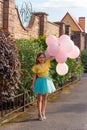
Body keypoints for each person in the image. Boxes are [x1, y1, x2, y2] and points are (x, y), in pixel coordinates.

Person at [31, 52, 56, 121]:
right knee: (39, 99)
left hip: (47, 82)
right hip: (40, 82)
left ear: (45, 58)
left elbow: (53, 55)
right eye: (40, 57)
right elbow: (34, 76)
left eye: (43, 57)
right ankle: (39, 113)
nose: (42, 59)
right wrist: (33, 84)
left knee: (45, 98)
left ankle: (43, 112)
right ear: (37, 58)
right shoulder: (36, 66)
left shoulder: (47, 63)